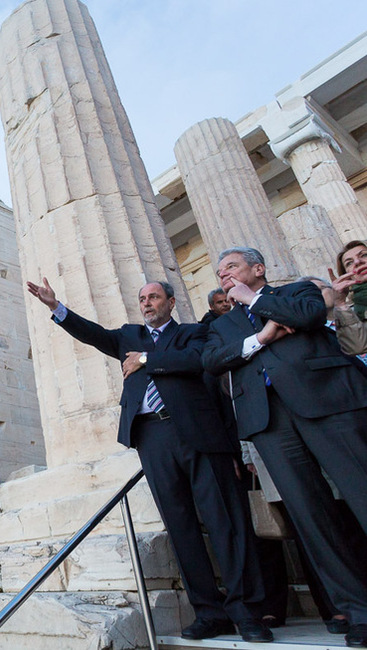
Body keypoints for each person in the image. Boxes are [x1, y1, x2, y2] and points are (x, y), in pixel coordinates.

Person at [27, 278, 271, 643]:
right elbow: (93, 334)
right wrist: (55, 307)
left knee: (225, 522)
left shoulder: (195, 332)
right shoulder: (128, 335)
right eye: (142, 298)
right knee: (181, 526)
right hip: (152, 436)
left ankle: (245, 611)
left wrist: (145, 360)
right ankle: (209, 612)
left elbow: (197, 362)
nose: (147, 303)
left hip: (198, 434)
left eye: (154, 297)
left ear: (171, 302)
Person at [201, 246, 367, 648]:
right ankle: (358, 610)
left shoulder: (297, 291)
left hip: (328, 402)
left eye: (232, 267)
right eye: (219, 271)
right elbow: (212, 360)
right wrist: (262, 336)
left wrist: (256, 300)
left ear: (258, 268)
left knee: (362, 493)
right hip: (270, 424)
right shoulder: (224, 325)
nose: (224, 274)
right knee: (312, 519)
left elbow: (309, 316)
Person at [330, 241, 367, 356]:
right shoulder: (354, 312)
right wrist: (340, 304)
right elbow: (357, 347)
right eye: (349, 263)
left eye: (364, 255)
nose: (357, 262)